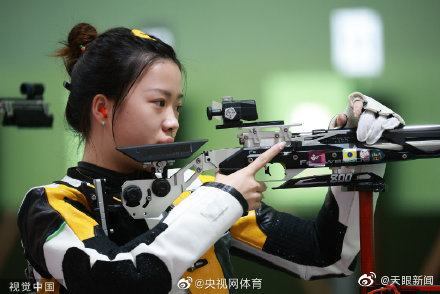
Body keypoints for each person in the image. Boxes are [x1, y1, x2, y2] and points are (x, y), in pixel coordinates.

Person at [17, 23, 404, 294]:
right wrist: (221, 199)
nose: (172, 121)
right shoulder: (50, 206)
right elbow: (121, 279)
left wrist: (359, 160)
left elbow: (327, 256)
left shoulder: (194, 193)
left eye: (177, 105)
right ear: (102, 108)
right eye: (158, 103)